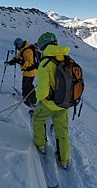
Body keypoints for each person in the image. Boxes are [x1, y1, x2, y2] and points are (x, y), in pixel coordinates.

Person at [32, 32, 71, 169]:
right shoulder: (66, 58)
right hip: (65, 103)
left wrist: (39, 95)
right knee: (62, 132)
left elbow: (42, 93)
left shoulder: (45, 63)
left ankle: (40, 145)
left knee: (38, 119)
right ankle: (64, 159)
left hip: (49, 104)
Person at [4, 38, 37, 108]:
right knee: (30, 86)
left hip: (30, 72)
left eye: (16, 46)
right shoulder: (23, 49)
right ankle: (33, 100)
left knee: (25, 87)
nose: (16, 48)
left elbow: (29, 63)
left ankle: (27, 101)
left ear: (19, 44)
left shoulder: (27, 51)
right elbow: (17, 57)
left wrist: (20, 61)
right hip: (30, 72)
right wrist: (11, 62)